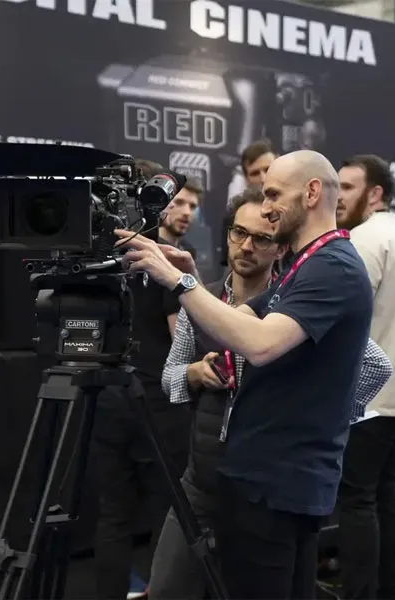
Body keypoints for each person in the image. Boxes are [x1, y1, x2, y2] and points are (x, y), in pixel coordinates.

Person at [114, 149, 374, 600]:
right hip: (252, 481)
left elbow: (259, 342)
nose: (267, 207)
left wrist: (180, 285)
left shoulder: (331, 267)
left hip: (276, 484)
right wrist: (190, 279)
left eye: (274, 194)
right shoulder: (306, 266)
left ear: (312, 192)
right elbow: (234, 326)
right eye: (240, 232)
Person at [92, 160, 201, 600]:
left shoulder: (98, 253)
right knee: (168, 511)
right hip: (157, 397)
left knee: (113, 515)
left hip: (107, 391)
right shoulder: (162, 259)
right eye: (175, 198)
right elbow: (182, 335)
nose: (184, 209)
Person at [336, 155, 395, 600]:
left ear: (374, 193)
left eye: (347, 187)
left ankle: (361, 593)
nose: (337, 197)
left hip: (370, 395)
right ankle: (392, 590)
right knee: (385, 495)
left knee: (358, 499)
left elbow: (341, 315)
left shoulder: (365, 239)